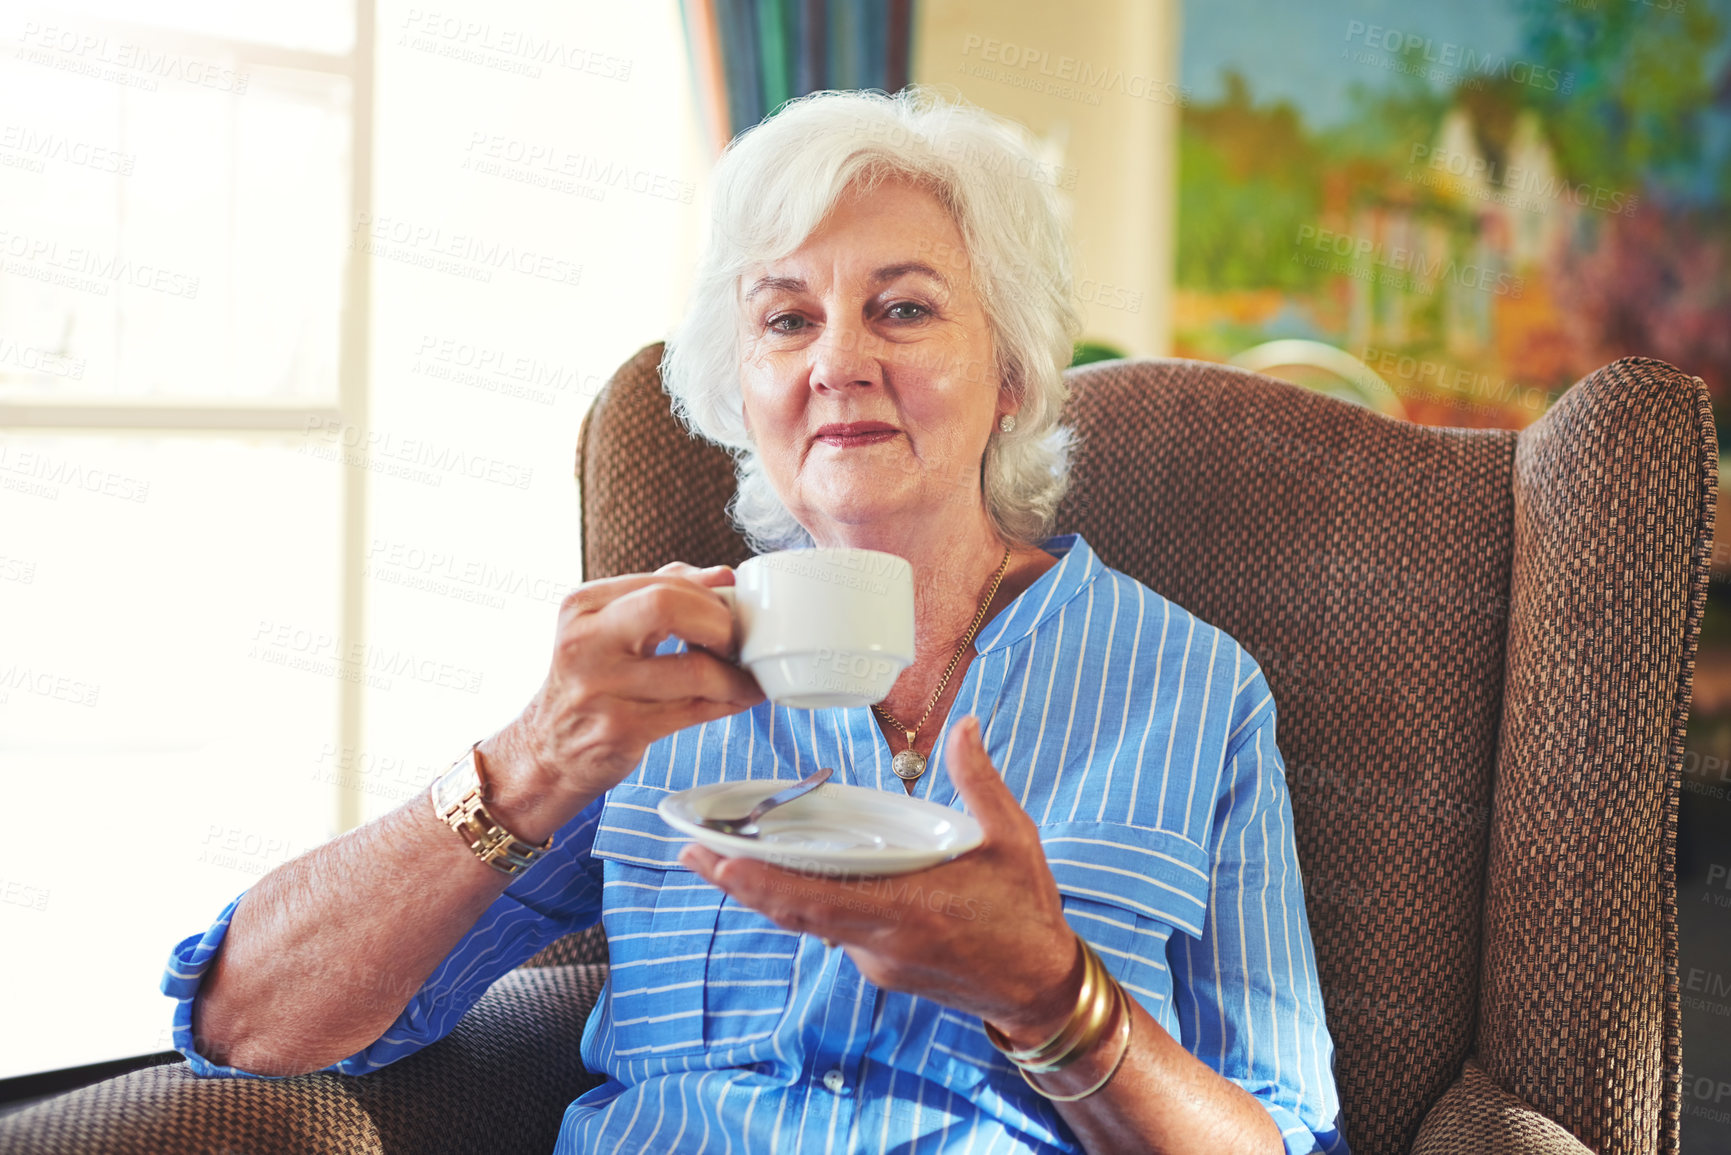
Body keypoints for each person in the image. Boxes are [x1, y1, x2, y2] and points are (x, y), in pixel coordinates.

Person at [164, 88, 1349, 1154]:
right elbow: (251, 1022)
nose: (838, 360)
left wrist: (1050, 995)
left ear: (1015, 375)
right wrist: (536, 757)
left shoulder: (1193, 687)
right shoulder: (653, 680)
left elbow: (1282, 1139)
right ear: (743, 392)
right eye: (786, 321)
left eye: (903, 309)